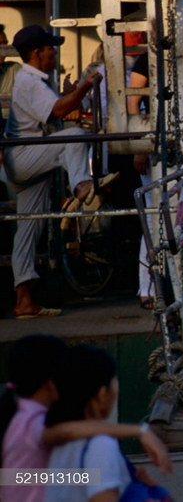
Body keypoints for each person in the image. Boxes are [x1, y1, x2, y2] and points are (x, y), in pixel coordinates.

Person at [4, 25, 113, 319]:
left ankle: (23, 300)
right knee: (74, 136)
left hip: (27, 159)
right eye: (50, 49)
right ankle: (81, 185)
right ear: (38, 53)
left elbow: (58, 108)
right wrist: (85, 87)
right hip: (25, 156)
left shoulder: (38, 80)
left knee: (28, 230)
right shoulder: (30, 80)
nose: (54, 53)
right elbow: (61, 113)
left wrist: (71, 94)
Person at [2, 335, 173, 502]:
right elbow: (64, 432)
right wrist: (139, 431)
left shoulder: (23, 415)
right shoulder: (31, 419)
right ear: (50, 383)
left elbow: (20, 478)